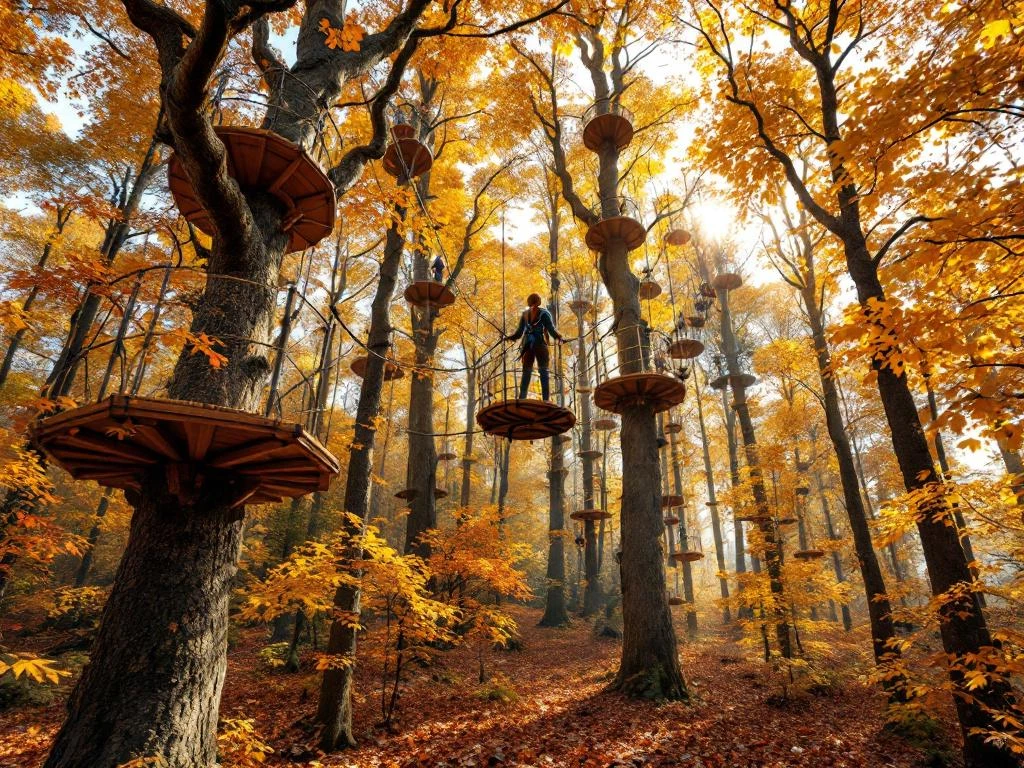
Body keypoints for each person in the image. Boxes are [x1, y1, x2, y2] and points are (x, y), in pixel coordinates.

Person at [505, 293, 564, 401]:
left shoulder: (525, 314)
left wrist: (509, 338)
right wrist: (559, 338)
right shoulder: (544, 313)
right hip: (540, 344)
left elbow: (518, 334)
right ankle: (546, 399)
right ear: (538, 301)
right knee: (543, 371)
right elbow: (551, 330)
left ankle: (522, 398)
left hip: (527, 346)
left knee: (526, 372)